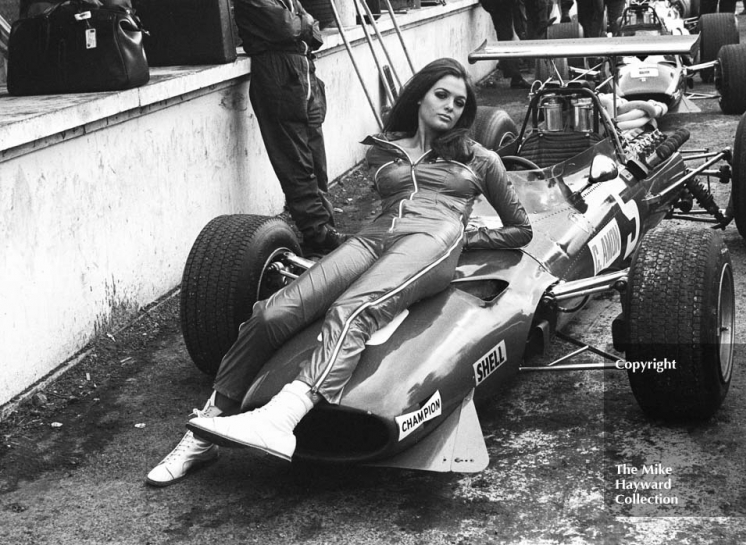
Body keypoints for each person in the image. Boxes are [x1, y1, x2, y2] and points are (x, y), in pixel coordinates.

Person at [146, 58, 534, 486]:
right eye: (442, 95)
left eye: (460, 103)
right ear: (420, 94)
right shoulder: (383, 148)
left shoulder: (480, 158)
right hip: (373, 237)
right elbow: (388, 208)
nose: (450, 107)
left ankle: (279, 418)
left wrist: (465, 238)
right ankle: (204, 432)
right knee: (272, 313)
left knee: (353, 309)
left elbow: (521, 229)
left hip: (435, 235)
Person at [233, 0, 346, 254]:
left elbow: (316, 33)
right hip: (279, 77)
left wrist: (302, 23)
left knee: (317, 162)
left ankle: (326, 227)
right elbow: (285, 27)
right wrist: (302, 22)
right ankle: (316, 232)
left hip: (305, 76)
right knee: (297, 164)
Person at [480, 0, 533, 88]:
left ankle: (512, 72)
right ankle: (515, 76)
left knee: (508, 34)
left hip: (500, 5)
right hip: (501, 4)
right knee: (507, 35)